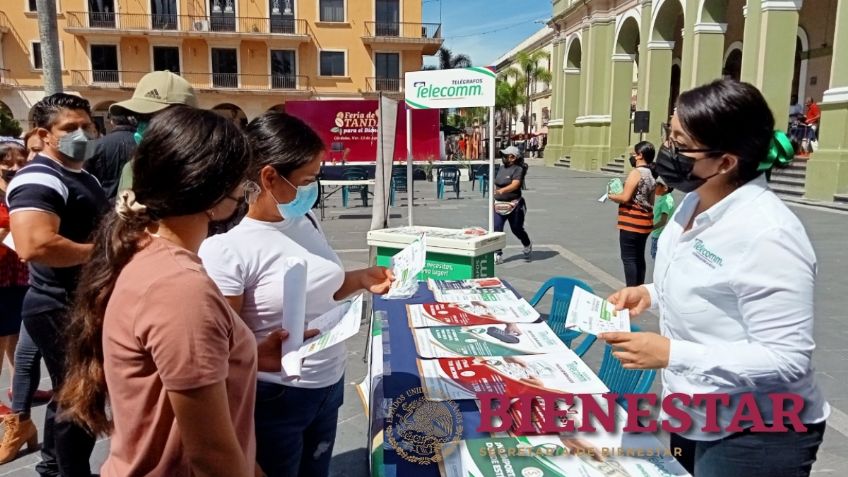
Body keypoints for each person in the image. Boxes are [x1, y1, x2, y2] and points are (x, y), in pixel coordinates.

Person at [601, 79, 828, 477]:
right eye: (668, 139)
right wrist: (649, 293)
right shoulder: (694, 200)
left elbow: (786, 358)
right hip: (693, 408)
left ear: (725, 162)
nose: (668, 154)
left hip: (756, 430)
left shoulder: (768, 234)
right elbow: (709, 281)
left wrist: (673, 353)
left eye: (680, 145)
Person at [59, 106, 291, 477]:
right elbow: (212, 456)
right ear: (215, 195)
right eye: (242, 186)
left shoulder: (146, 251)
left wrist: (248, 355)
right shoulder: (180, 289)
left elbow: (167, 375)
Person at [198, 111, 393, 477]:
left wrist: (363, 278)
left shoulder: (305, 220)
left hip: (328, 383)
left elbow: (323, 287)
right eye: (308, 179)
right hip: (275, 398)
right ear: (270, 177)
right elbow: (219, 352)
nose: (314, 189)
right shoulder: (228, 250)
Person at [6, 93, 106, 477]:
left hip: (79, 302)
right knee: (79, 397)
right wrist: (103, 254)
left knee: (72, 393)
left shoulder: (83, 175)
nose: (81, 134)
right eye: (70, 128)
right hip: (58, 305)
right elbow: (35, 244)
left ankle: (54, 466)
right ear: (44, 134)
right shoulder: (39, 177)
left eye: (86, 126)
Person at [113, 70, 198, 192]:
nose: (142, 126)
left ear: (184, 120)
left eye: (149, 117)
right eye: (138, 117)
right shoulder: (133, 168)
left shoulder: (213, 166)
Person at [0, 140, 28, 421]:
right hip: (1, 273)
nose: (14, 167)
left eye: (20, 161)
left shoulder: (16, 191)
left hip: (17, 271)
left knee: (14, 335)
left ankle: (17, 390)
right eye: (7, 162)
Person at [608, 141, 656, 286]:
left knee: (629, 258)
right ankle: (638, 287)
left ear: (640, 155)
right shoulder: (651, 174)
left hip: (632, 222)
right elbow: (651, 202)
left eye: (635, 153)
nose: (633, 156)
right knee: (639, 257)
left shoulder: (636, 173)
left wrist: (611, 196)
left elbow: (625, 197)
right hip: (645, 222)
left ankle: (631, 289)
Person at [84, 111, 138, 201]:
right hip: (136, 203)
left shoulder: (96, 145)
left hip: (105, 203)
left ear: (112, 121)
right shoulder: (143, 142)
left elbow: (87, 178)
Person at [492, 145, 532, 265]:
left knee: (516, 229)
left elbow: (515, 184)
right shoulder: (501, 168)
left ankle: (527, 243)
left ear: (513, 157)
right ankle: (497, 253)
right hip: (499, 204)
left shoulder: (518, 169)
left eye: (506, 155)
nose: (503, 157)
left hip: (514, 205)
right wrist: (495, 192)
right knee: (497, 228)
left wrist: (501, 191)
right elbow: (497, 182)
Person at [650, 176, 675, 260]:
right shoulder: (665, 198)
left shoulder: (666, 201)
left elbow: (663, 221)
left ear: (665, 188)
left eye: (657, 185)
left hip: (658, 235)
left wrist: (650, 228)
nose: (654, 187)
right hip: (658, 234)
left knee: (656, 258)